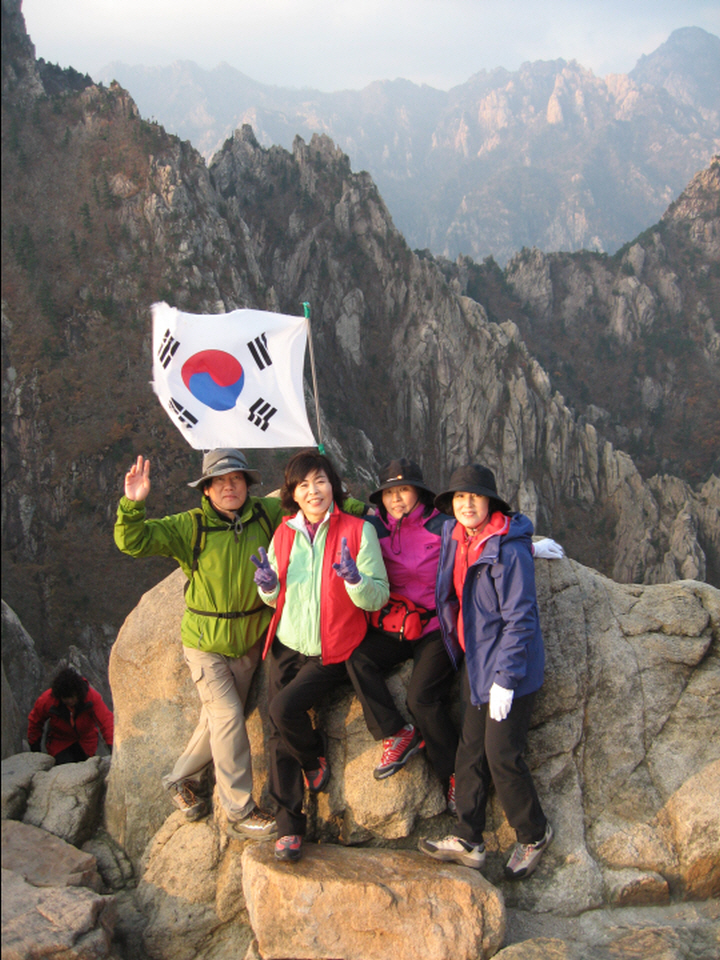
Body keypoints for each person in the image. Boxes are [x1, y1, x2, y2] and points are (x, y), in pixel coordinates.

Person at [114, 448, 284, 839]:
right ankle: (240, 812)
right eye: (220, 481)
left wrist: (370, 507)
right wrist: (132, 504)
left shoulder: (264, 515)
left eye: (236, 479)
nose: (229, 486)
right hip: (205, 644)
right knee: (227, 718)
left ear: (247, 485)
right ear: (206, 490)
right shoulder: (190, 526)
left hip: (247, 644)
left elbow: (314, 507)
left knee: (218, 720)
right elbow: (133, 541)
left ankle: (180, 779)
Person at [252, 448, 389, 862]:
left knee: (283, 710)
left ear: (333, 485)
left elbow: (377, 597)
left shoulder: (357, 531)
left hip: (332, 649)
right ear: (293, 492)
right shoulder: (284, 533)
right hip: (288, 643)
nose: (313, 491)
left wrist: (355, 579)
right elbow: (274, 598)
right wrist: (268, 585)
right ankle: (289, 826)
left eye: (320, 481)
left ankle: (313, 759)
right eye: (303, 485)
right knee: (277, 733)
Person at [418, 464, 553, 880]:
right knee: (469, 750)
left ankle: (534, 832)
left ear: (490, 503)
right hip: (476, 664)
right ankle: (468, 837)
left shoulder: (507, 550)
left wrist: (506, 680)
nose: (467, 504)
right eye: (459, 497)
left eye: (475, 497)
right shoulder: (458, 539)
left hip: (507, 672)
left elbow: (521, 621)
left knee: (501, 755)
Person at [345, 458, 459, 809]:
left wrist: (528, 543)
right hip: (394, 623)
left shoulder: (442, 525)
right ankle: (397, 733)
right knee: (357, 657)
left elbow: (481, 536)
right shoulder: (371, 527)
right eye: (389, 492)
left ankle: (455, 776)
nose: (397, 499)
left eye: (404, 490)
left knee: (421, 699)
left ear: (419, 493)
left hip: (434, 625)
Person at [28, 666, 114, 764]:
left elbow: (106, 722)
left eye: (72, 697)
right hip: (60, 743)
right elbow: (35, 722)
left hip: (86, 743)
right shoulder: (47, 700)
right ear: (59, 696)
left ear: (79, 693)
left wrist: (113, 747)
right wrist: (35, 749)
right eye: (65, 698)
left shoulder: (91, 698)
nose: (70, 701)